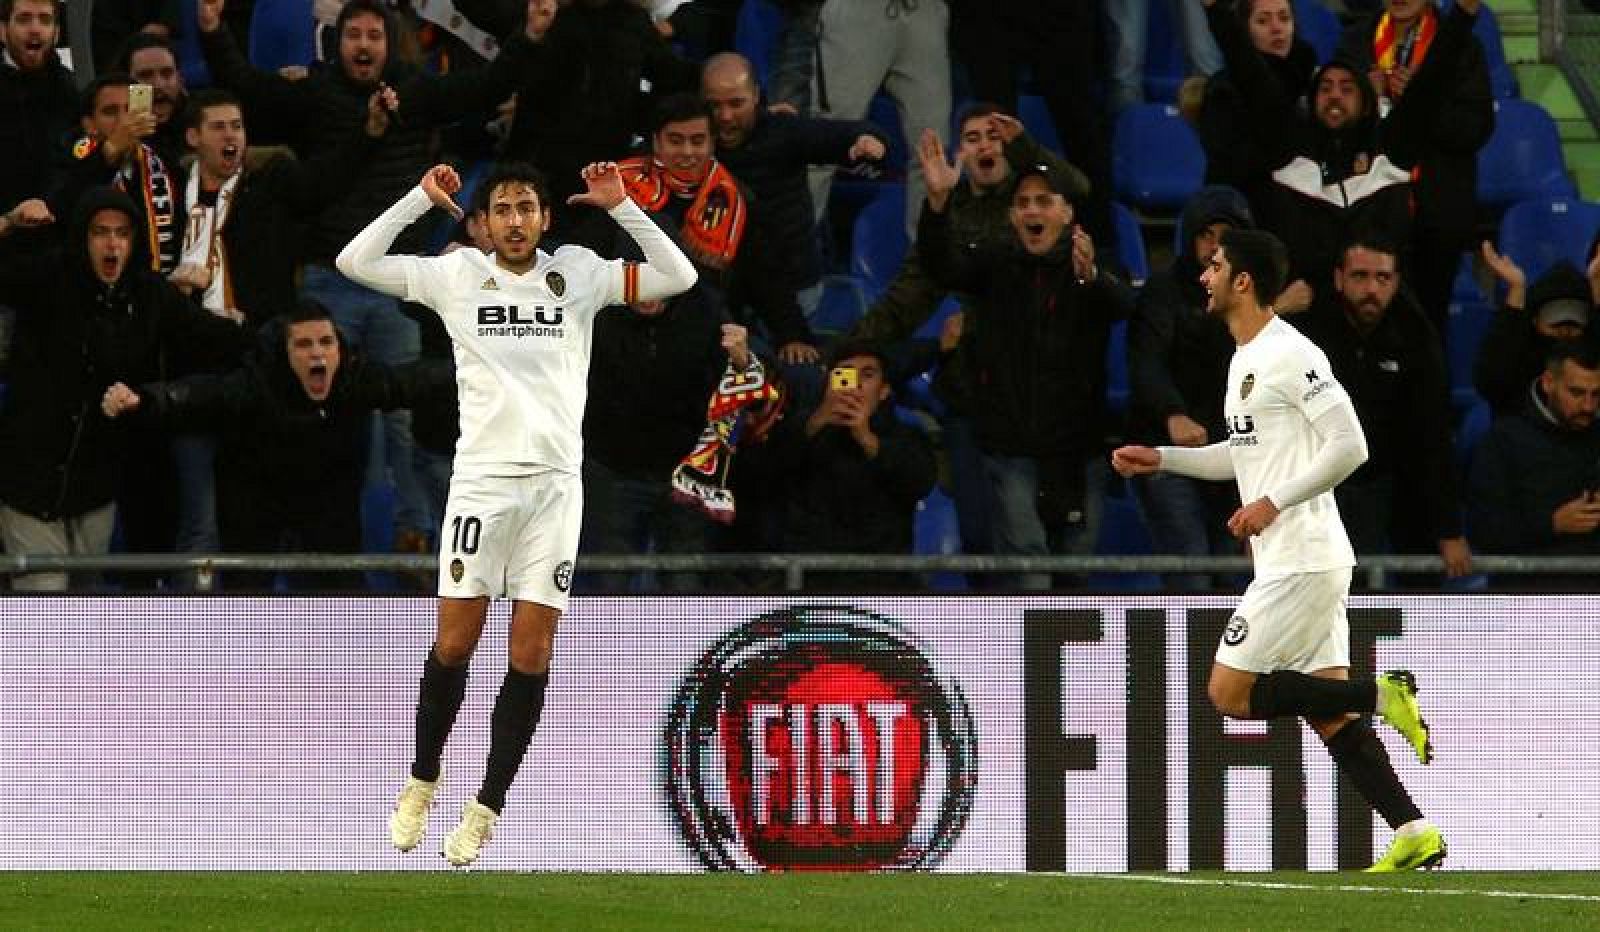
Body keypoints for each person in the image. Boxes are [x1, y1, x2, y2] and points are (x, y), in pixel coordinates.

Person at [336, 160, 696, 865]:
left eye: (526, 206)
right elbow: (354, 261)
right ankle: (422, 778)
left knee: (531, 652)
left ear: (545, 217)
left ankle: (486, 808)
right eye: (501, 208)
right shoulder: (458, 276)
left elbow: (678, 276)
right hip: (482, 486)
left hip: (556, 490)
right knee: (454, 644)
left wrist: (623, 207)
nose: (514, 220)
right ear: (482, 222)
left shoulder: (582, 273)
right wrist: (418, 199)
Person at [1111, 228, 1445, 872]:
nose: (1203, 276)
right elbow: (1241, 458)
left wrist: (1275, 502)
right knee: (1330, 717)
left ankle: (1380, 693)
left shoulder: (1293, 353)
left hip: (1303, 557)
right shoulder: (1244, 359)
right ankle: (1413, 830)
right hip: (1298, 556)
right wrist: (1163, 459)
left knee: (1229, 692)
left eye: (1214, 266)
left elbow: (1351, 446)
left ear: (1243, 281)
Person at [99, 300, 454, 591]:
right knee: (248, 589)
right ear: (284, 353)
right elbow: (202, 394)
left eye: (326, 343)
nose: (318, 355)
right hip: (255, 498)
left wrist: (482, 371)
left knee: (337, 590)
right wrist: (144, 400)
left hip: (328, 500)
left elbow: (411, 381)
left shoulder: (353, 378)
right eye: (304, 344)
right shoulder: (258, 381)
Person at [0, 187, 244, 591]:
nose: (111, 243)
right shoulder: (47, 277)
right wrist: (8, 222)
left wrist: (280, 339)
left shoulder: (148, 295)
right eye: (100, 232)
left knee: (88, 603)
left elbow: (216, 337)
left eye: (122, 233)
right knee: (46, 602)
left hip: (96, 485)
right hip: (28, 481)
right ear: (83, 237)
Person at [917, 133, 1131, 591]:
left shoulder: (1092, 268)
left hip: (1079, 448)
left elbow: (1123, 304)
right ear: (1012, 215)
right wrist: (937, 207)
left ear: (1067, 213)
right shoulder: (995, 263)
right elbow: (942, 267)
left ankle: (1069, 661)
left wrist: (1091, 277)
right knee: (1030, 567)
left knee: (1075, 572)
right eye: (1023, 203)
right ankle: (1034, 660)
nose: (1032, 211)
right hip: (1011, 445)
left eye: (1044, 201)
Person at [1292, 233, 1471, 583]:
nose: (1372, 289)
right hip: (1322, 480)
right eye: (1360, 276)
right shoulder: (1307, 333)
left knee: (1419, 567)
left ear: (1397, 282)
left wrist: (1449, 530)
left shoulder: (1416, 336)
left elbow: (1432, 436)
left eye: (1383, 278)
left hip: (1395, 478)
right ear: (1338, 279)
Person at [1336, 0, 1494, 342]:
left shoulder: (1463, 47)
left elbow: (1475, 127)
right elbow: (1331, 124)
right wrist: (1364, 102)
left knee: (1427, 326)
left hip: (1437, 213)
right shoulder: (1355, 41)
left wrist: (1420, 104)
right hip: (1370, 208)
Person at [1127, 186, 1254, 590]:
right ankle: (1196, 655)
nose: (1216, 248)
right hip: (1173, 455)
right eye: (1206, 236)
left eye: (1227, 238)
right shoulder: (1162, 293)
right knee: (1192, 573)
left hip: (1236, 458)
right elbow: (1146, 363)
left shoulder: (1254, 301)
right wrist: (1173, 414)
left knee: (1234, 579)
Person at [701, 51, 886, 326]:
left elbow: (842, 134)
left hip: (793, 285)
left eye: (736, 103)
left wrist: (870, 142)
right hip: (724, 291)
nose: (725, 116)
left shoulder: (784, 131)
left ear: (756, 95)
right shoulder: (691, 142)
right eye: (714, 105)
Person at [757, 337, 937, 591]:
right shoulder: (801, 429)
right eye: (845, 375)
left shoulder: (906, 437)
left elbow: (920, 482)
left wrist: (867, 440)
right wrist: (816, 422)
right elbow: (764, 474)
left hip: (881, 583)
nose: (856, 385)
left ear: (884, 390)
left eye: (868, 375)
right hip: (810, 581)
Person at [1468, 344, 1600, 591]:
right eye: (1577, 393)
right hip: (1526, 598)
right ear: (1549, 383)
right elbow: (1485, 532)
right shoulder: (1504, 441)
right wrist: (1553, 524)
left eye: (1597, 394)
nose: (1588, 407)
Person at [1476, 245, 1598, 419]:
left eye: (1574, 325)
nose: (1565, 331)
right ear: (1535, 320)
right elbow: (1490, 381)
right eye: (1556, 323)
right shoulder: (1518, 356)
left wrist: (1597, 292)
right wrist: (1516, 296)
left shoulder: (1591, 353)